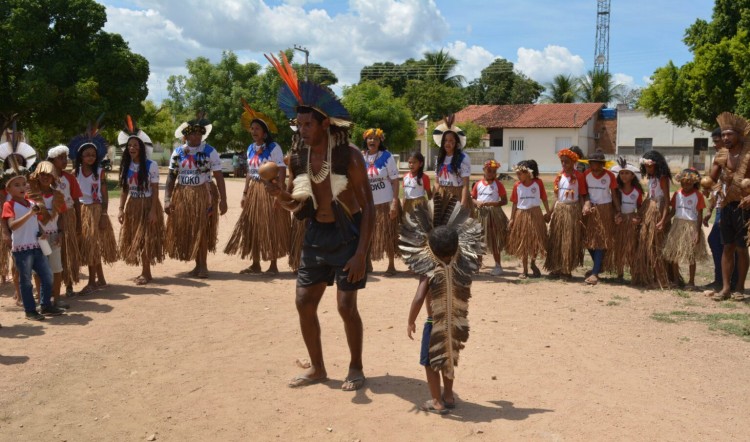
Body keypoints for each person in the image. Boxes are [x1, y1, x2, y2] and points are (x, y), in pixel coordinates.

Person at [263, 52, 374, 391]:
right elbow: (299, 204)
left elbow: (369, 208)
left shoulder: (349, 156)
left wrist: (360, 254)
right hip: (315, 235)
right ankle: (319, 368)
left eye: (308, 124)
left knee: (345, 305)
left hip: (347, 236)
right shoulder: (296, 157)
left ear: (325, 122)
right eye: (298, 124)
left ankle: (355, 366)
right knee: (303, 302)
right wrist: (280, 197)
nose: (301, 129)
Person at [403, 194, 483, 414]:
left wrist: (410, 320)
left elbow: (420, 297)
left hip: (433, 321)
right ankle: (449, 396)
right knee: (449, 356)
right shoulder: (460, 265)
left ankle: (436, 401)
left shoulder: (430, 270)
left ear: (430, 249)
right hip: (455, 320)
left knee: (430, 362)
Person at [225, 102, 289, 275]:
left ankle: (273, 265)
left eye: (257, 129)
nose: (254, 132)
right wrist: (245, 193)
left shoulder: (274, 148)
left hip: (269, 188)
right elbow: (248, 171)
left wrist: (280, 192)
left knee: (270, 226)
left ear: (265, 132)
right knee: (253, 226)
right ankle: (255, 264)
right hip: (254, 189)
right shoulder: (250, 149)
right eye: (252, 129)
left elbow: (282, 168)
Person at [165, 114, 228, 278]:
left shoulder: (209, 151)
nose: (197, 136)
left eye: (200, 133)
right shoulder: (178, 152)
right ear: (186, 136)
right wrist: (167, 199)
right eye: (193, 133)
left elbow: (219, 176)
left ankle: (203, 266)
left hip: (204, 195)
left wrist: (223, 200)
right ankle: (197, 265)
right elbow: (171, 176)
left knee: (202, 229)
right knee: (191, 229)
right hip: (183, 195)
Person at [1, 162, 65, 320]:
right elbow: (13, 225)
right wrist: (30, 214)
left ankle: (45, 306)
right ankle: (30, 310)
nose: (22, 187)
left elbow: (36, 222)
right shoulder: (9, 205)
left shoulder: (30, 203)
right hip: (22, 248)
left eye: (23, 184)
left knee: (47, 275)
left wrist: (42, 232)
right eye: (16, 185)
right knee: (26, 281)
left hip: (37, 246)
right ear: (8, 190)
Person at [703, 112, 750, 301]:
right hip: (726, 206)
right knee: (727, 247)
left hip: (744, 206)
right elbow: (711, 179)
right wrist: (707, 185)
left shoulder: (748, 155)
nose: (725, 138)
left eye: (729, 134)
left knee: (741, 248)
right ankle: (725, 288)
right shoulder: (722, 155)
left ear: (738, 134)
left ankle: (739, 287)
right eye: (723, 135)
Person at [117, 119, 165, 284]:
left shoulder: (151, 165)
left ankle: (146, 272)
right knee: (136, 238)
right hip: (133, 205)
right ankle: (144, 271)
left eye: (136, 146)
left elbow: (155, 189)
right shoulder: (125, 166)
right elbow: (124, 189)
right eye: (130, 146)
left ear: (142, 148)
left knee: (146, 238)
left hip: (147, 205)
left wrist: (153, 211)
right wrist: (121, 208)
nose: (132, 148)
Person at [70, 132, 118, 294]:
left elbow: (104, 194)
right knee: (90, 246)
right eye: (86, 155)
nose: (90, 157)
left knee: (91, 245)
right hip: (80, 210)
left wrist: (104, 214)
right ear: (80, 157)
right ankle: (101, 279)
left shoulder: (100, 172)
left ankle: (92, 282)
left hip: (95, 210)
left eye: (93, 155)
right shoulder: (74, 173)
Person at [29, 161, 68, 308]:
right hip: (39, 238)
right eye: (43, 174)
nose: (46, 177)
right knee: (38, 270)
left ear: (54, 177)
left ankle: (57, 298)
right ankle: (41, 300)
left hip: (54, 236)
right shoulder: (31, 196)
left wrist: (61, 232)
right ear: (37, 176)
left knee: (57, 269)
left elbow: (62, 216)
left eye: (49, 175)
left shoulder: (58, 196)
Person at [362, 128, 400, 276]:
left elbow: (396, 181)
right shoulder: (361, 157)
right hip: (367, 204)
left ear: (380, 141)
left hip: (385, 202)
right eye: (370, 138)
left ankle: (391, 265)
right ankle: (368, 263)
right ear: (365, 140)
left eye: (375, 139)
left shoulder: (387, 157)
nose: (372, 141)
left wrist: (394, 202)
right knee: (366, 233)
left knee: (388, 234)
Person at [703, 128, 737, 290]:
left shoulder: (735, 158)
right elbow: (716, 187)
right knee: (724, 243)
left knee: (722, 242)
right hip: (720, 206)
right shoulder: (720, 158)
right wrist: (710, 209)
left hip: (731, 206)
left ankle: (726, 281)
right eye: (717, 140)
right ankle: (725, 280)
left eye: (718, 141)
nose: (716, 144)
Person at [545, 148, 587, 280]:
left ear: (573, 162)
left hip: (573, 210)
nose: (564, 164)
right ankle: (556, 267)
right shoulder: (559, 176)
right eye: (562, 162)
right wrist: (549, 212)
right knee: (557, 239)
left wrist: (581, 212)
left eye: (567, 162)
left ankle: (567, 269)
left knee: (569, 241)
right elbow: (556, 197)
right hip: (560, 210)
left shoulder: (579, 176)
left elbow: (582, 196)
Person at [632, 150, 672, 288]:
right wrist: (641, 212)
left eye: (650, 166)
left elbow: (667, 200)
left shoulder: (663, 178)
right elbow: (649, 195)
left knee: (656, 246)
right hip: (649, 209)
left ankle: (661, 279)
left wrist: (663, 220)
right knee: (646, 244)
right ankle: (648, 277)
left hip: (658, 211)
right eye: (646, 167)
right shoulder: (651, 178)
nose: (648, 169)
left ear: (657, 165)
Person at [663, 168, 708, 289]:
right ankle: (676, 281)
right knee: (674, 254)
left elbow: (699, 215)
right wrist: (663, 222)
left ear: (694, 182)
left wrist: (697, 232)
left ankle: (691, 282)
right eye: (683, 182)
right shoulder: (677, 194)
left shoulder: (698, 195)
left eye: (689, 182)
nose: (686, 184)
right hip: (677, 225)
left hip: (691, 226)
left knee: (691, 255)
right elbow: (673, 211)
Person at [47, 145, 82, 297]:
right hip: (50, 218)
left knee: (68, 251)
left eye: (65, 157)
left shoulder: (70, 178)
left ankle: (69, 284)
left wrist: (79, 221)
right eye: (60, 158)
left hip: (68, 216)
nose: (64, 160)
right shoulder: (45, 178)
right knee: (52, 251)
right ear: (52, 160)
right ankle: (49, 288)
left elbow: (76, 200)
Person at [507, 160, 550, 279]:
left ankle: (533, 263)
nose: (518, 176)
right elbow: (515, 203)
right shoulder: (517, 185)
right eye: (517, 174)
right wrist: (512, 219)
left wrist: (548, 212)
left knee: (536, 240)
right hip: (522, 214)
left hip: (535, 214)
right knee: (524, 242)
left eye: (520, 174)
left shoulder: (538, 183)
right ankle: (525, 269)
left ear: (527, 173)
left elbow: (544, 198)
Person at [582, 152, 619, 285]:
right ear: (590, 164)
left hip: (605, 209)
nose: (595, 167)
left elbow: (614, 194)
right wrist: (586, 204)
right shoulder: (586, 174)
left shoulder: (609, 175)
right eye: (592, 164)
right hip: (590, 210)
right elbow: (584, 193)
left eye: (598, 164)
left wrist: (617, 211)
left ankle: (595, 273)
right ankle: (599, 266)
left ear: (602, 164)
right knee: (588, 241)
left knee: (600, 241)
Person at [606, 158, 643, 282]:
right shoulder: (617, 190)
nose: (624, 175)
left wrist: (638, 218)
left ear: (633, 176)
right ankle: (620, 274)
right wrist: (616, 216)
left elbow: (639, 207)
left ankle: (634, 274)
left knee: (631, 247)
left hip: (631, 221)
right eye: (622, 173)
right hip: (619, 221)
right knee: (619, 247)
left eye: (627, 173)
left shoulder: (637, 191)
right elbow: (613, 206)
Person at [471, 159, 508, 276]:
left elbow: (504, 201)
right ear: (484, 170)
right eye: (489, 170)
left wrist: (491, 204)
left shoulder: (498, 185)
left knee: (494, 239)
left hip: (494, 214)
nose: (491, 173)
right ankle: (478, 265)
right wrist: (476, 202)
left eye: (493, 171)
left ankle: (498, 265)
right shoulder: (478, 184)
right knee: (479, 238)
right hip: (481, 214)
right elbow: (472, 198)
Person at [434, 115, 471, 209]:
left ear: (456, 143)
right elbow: (437, 182)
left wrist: (463, 204)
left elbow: (465, 185)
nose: (447, 143)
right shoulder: (440, 159)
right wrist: (434, 199)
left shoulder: (463, 158)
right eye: (445, 140)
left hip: (456, 196)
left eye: (451, 141)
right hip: (442, 195)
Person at [402, 151, 432, 218]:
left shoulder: (424, 177)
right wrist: (403, 206)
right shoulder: (405, 176)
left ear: (420, 164)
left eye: (414, 162)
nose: (411, 164)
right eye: (410, 162)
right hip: (407, 206)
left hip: (420, 206)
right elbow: (405, 194)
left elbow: (429, 194)